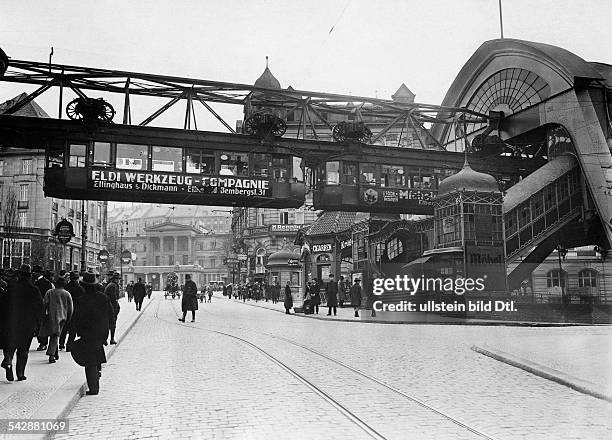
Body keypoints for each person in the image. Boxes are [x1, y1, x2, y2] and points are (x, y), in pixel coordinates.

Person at [70, 272, 114, 396]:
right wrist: (108, 332)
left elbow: (75, 321)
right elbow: (111, 315)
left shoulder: (80, 300)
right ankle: (97, 373)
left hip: (87, 334)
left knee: (89, 362)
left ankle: (94, 387)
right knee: (96, 354)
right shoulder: (103, 298)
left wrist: (71, 338)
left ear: (84, 286)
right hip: (100, 333)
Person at [0, 264, 43, 381]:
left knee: (10, 345)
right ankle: (20, 373)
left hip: (12, 322)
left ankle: (8, 360)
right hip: (28, 324)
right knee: (23, 349)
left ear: (19, 275)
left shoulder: (12, 288)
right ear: (29, 276)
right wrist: (38, 323)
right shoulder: (34, 290)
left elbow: (3, 305)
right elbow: (40, 307)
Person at [41, 276, 73, 363]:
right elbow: (70, 308)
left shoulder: (49, 292)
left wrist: (43, 315)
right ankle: (51, 355)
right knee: (55, 335)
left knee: (54, 334)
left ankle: (54, 352)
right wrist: (69, 318)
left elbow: (44, 304)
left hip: (51, 315)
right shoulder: (67, 294)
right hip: (62, 317)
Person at [61, 271, 85, 351]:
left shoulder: (66, 287)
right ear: (77, 279)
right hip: (76, 311)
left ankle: (61, 343)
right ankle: (69, 344)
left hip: (65, 310)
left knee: (64, 327)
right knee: (73, 329)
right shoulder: (80, 288)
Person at [33, 265, 54, 351]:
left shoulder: (45, 283)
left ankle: (43, 343)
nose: (33, 273)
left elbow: (48, 295)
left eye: (34, 272)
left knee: (42, 325)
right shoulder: (37, 281)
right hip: (37, 306)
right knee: (38, 325)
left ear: (38, 273)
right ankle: (41, 342)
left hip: (42, 306)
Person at [103, 272, 121, 345]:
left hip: (108, 306)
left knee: (107, 323)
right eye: (117, 279)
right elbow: (113, 297)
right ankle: (111, 339)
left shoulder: (111, 285)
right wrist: (116, 305)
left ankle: (106, 339)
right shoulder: (113, 286)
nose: (118, 281)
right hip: (111, 307)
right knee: (112, 324)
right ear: (115, 279)